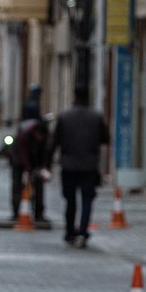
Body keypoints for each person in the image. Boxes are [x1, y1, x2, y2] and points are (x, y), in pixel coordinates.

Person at [49, 86, 110, 248]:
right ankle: (83, 232)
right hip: (89, 165)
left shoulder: (64, 116)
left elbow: (54, 142)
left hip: (68, 165)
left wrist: (47, 165)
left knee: (70, 200)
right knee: (87, 200)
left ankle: (70, 231)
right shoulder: (96, 117)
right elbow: (105, 138)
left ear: (74, 96)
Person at [11, 96, 50, 221]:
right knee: (18, 185)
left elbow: (46, 153)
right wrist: (28, 170)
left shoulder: (45, 137)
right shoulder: (24, 135)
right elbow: (22, 154)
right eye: (39, 137)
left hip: (35, 161)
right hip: (19, 161)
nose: (40, 139)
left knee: (38, 185)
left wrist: (44, 168)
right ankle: (16, 211)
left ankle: (38, 212)